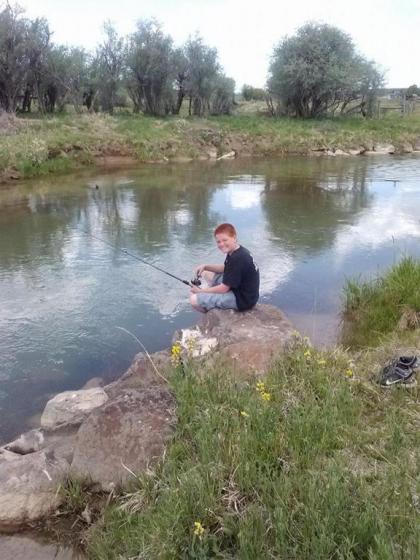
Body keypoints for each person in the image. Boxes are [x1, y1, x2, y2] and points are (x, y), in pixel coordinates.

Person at [189, 223, 259, 313]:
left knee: (193, 299)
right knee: (205, 273)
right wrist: (206, 266)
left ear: (234, 237)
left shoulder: (237, 258)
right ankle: (211, 298)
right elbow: (226, 268)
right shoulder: (237, 250)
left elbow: (224, 289)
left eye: (225, 240)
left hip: (242, 300)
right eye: (218, 241)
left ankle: (210, 314)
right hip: (242, 290)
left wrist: (201, 291)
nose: (221, 244)